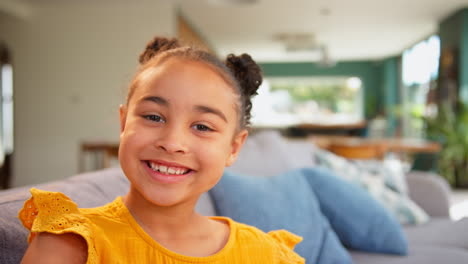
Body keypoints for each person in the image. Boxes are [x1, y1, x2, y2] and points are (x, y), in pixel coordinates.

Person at [18, 37, 305, 263]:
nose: (172, 142)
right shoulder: (71, 242)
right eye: (154, 117)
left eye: (202, 127)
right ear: (123, 123)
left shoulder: (268, 255)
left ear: (233, 148)